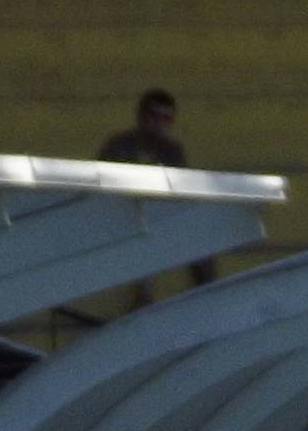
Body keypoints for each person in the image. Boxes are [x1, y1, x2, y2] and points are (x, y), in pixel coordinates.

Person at [95, 89, 221, 301]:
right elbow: (101, 188)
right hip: (120, 219)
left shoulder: (172, 151)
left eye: (166, 119)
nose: (158, 124)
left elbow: (183, 192)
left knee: (200, 237)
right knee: (140, 251)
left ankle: (210, 298)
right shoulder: (118, 146)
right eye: (153, 116)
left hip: (160, 218)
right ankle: (142, 302)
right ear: (140, 116)